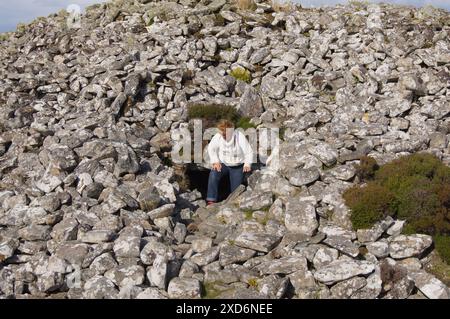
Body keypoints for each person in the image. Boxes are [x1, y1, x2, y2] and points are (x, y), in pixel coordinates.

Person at [206, 119, 254, 206]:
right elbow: (211, 148)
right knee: (213, 174)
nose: (223, 136)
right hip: (223, 164)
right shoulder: (218, 136)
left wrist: (247, 164)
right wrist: (215, 161)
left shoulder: (239, 137)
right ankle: (211, 200)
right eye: (222, 133)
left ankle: (231, 204)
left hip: (238, 166)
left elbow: (249, 151)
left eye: (225, 134)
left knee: (236, 191)